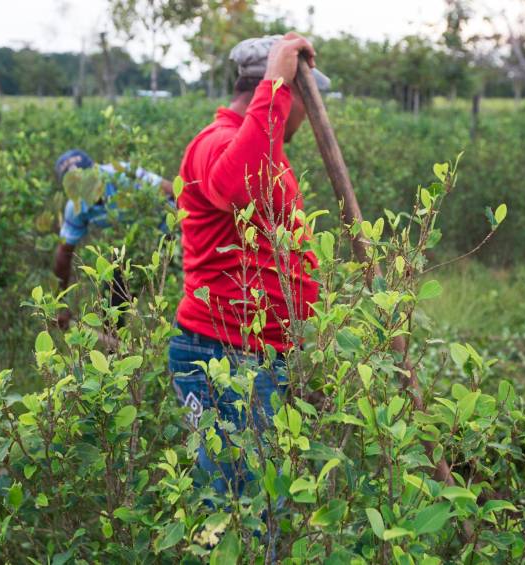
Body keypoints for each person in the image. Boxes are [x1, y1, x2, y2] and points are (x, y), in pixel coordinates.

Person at [169, 33, 330, 496]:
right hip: (223, 354)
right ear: (280, 91)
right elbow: (239, 187)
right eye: (304, 96)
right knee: (241, 505)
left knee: (261, 501)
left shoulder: (261, 152)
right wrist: (278, 85)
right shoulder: (213, 143)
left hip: (260, 356)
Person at [52, 149, 174, 329]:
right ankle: (118, 352)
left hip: (170, 232)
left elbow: (171, 190)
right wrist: (61, 304)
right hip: (133, 247)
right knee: (111, 307)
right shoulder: (76, 207)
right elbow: (64, 253)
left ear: (95, 170)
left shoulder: (122, 175)